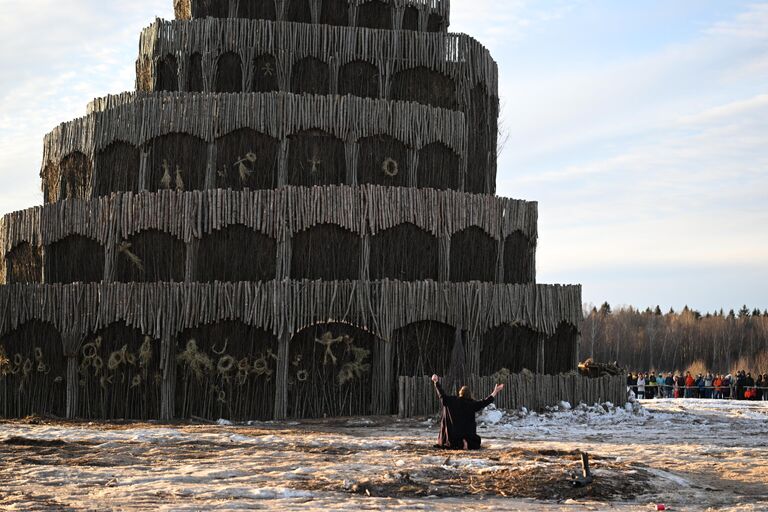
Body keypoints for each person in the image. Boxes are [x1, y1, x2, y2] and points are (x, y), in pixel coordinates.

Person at [431, 374, 504, 450]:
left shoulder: (452, 401)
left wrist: (436, 382)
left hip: (453, 436)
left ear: (460, 393)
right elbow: (485, 402)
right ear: (470, 395)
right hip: (467, 434)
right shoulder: (472, 404)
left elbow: (442, 395)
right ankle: (465, 442)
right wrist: (495, 392)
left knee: (450, 440)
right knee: (473, 440)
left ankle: (461, 442)